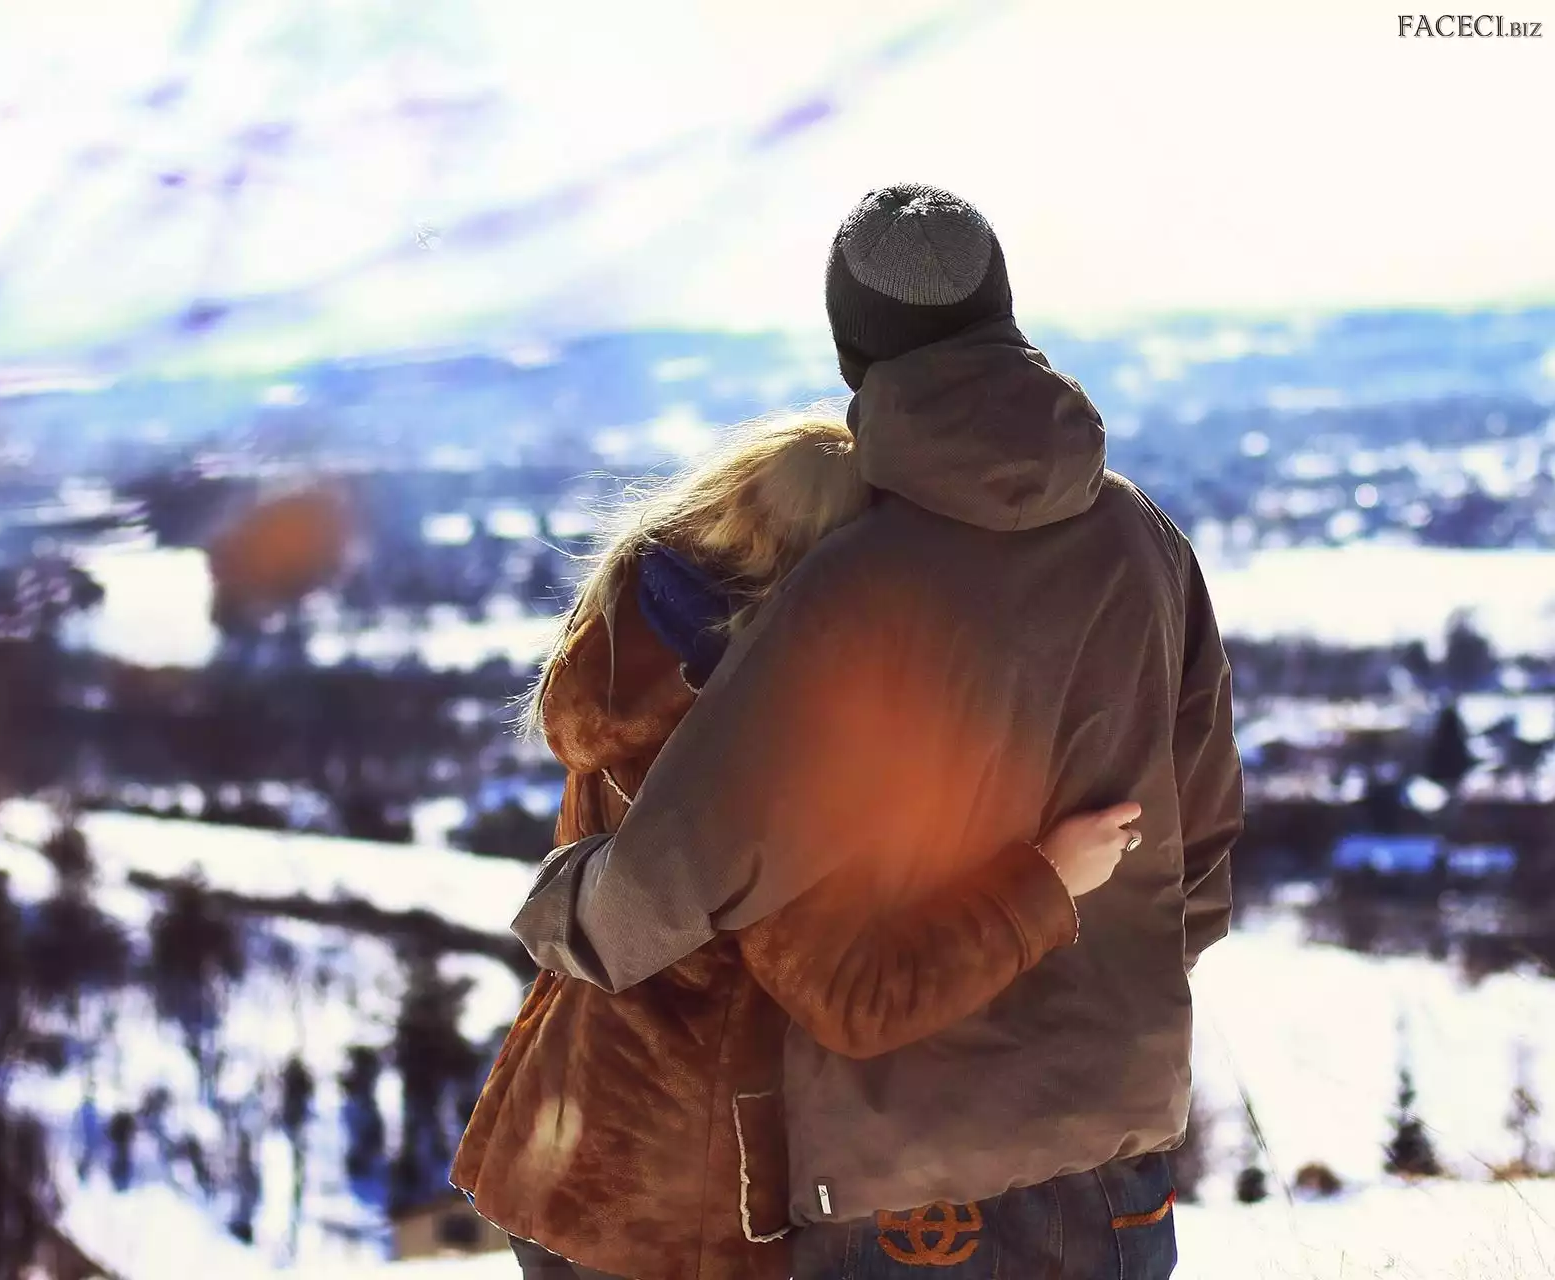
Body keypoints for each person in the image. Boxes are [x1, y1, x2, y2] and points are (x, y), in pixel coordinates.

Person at [511, 184, 1243, 1279]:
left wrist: (561, 908)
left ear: (854, 352)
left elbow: (684, 871)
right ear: (1004, 311)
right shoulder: (1144, 541)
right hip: (1115, 1162)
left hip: (910, 1192)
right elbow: (1204, 849)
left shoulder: (849, 589)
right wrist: (1089, 1001)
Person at [453, 412, 1144, 1280]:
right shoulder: (769, 754)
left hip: (564, 1146)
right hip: (678, 1211)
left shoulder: (633, 655)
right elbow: (854, 999)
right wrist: (1045, 883)